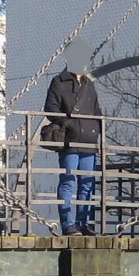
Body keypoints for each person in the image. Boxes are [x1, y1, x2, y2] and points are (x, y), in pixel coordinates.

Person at [43, 41, 102, 235]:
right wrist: (66, 122)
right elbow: (50, 108)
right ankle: (68, 225)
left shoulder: (88, 84)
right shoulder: (59, 82)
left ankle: (83, 224)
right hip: (70, 141)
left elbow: (96, 110)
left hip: (89, 142)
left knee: (87, 183)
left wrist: (97, 129)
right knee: (68, 181)